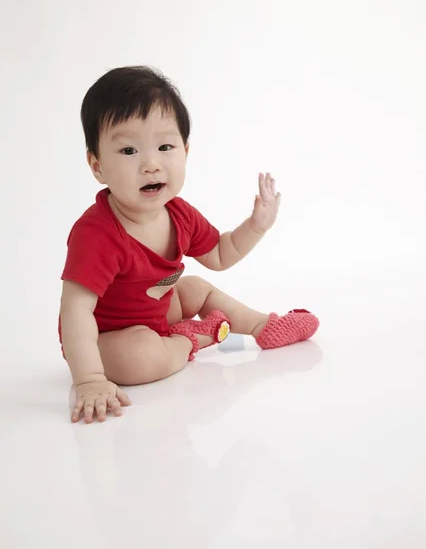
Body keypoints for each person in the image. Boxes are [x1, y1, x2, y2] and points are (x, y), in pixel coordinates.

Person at [59, 66, 319, 424]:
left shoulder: (179, 214)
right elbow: (75, 313)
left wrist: (256, 226)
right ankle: (192, 340)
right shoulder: (96, 234)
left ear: (185, 150)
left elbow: (220, 254)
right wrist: (88, 379)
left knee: (194, 288)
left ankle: (264, 325)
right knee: (141, 356)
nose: (151, 164)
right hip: (109, 337)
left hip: (158, 312)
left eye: (165, 147)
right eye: (129, 150)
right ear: (97, 165)